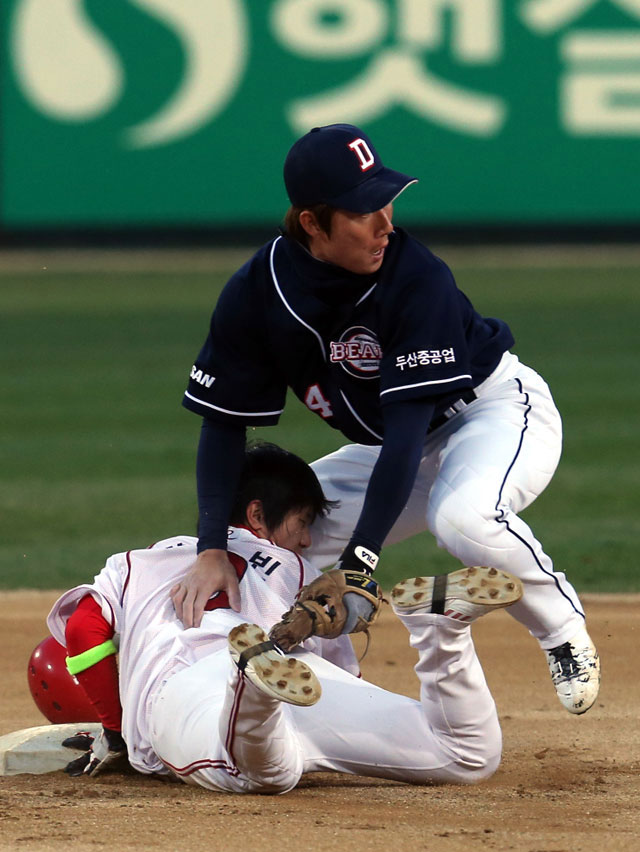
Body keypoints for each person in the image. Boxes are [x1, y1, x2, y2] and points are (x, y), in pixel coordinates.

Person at [173, 123, 599, 717]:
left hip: (491, 415)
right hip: (398, 448)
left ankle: (562, 631)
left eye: (386, 199)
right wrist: (212, 545)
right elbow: (222, 424)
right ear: (312, 224)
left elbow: (405, 431)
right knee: (273, 546)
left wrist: (362, 560)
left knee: (464, 519)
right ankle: (307, 692)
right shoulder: (256, 292)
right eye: (362, 211)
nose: (385, 222)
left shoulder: (415, 277)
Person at [44, 442, 522, 791]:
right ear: (256, 515)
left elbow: (83, 629)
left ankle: (251, 684)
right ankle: (441, 630)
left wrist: (115, 729)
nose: (309, 540)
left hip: (188, 690)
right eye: (302, 522)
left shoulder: (135, 563)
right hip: (309, 679)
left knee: (261, 775)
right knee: (466, 757)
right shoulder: (300, 571)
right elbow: (345, 674)